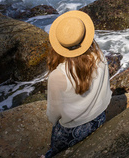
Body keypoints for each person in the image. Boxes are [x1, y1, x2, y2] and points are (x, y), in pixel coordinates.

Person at [42, 10, 112, 158]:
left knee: (54, 151)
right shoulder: (99, 56)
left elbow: (53, 115)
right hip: (99, 118)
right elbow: (106, 89)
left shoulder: (57, 76)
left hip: (71, 131)